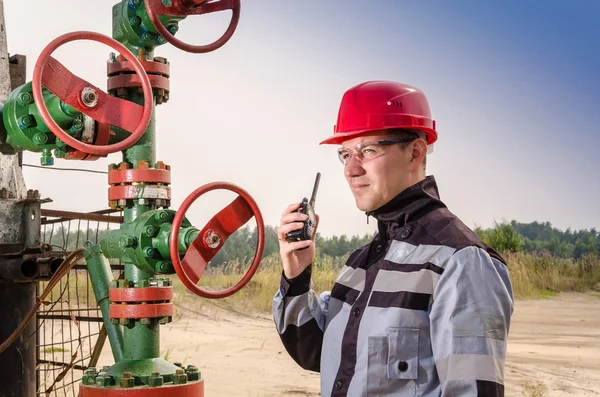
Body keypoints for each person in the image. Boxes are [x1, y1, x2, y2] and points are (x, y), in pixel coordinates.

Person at [272, 80, 514, 397]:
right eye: (345, 154)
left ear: (415, 152)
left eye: (367, 150)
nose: (351, 169)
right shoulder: (360, 264)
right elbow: (315, 352)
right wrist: (297, 275)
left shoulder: (462, 262)